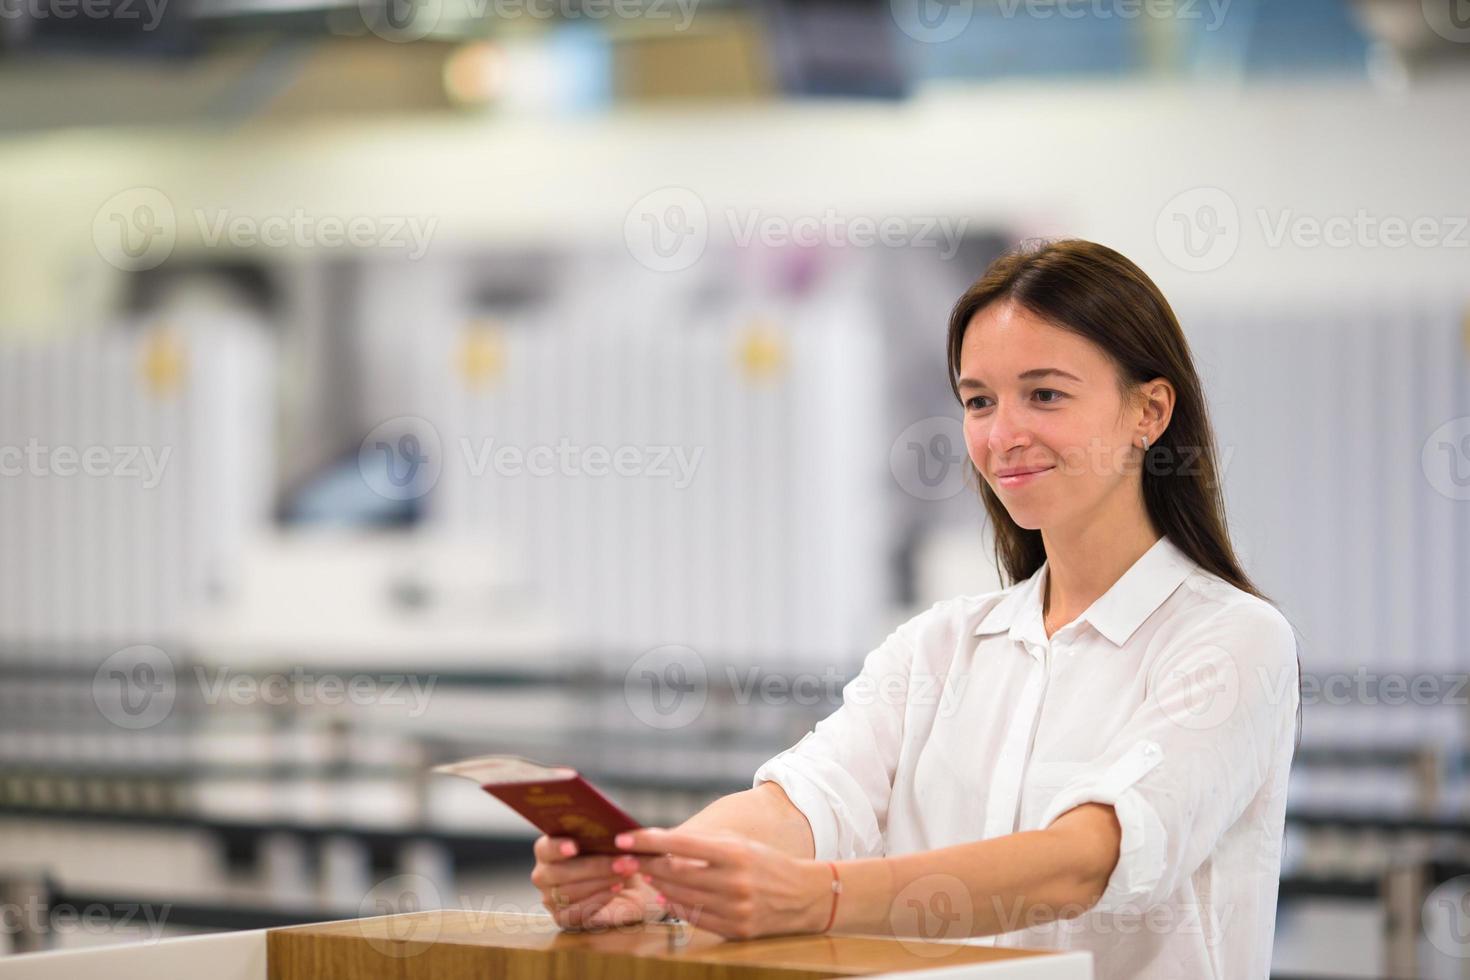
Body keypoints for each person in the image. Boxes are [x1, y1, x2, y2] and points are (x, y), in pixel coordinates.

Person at [529, 239, 1301, 979]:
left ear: (1150, 412)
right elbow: (806, 801)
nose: (1004, 435)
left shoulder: (1232, 641)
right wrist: (657, 873)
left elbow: (1087, 857)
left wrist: (823, 897)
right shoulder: (940, 646)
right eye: (978, 400)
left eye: (1045, 395)